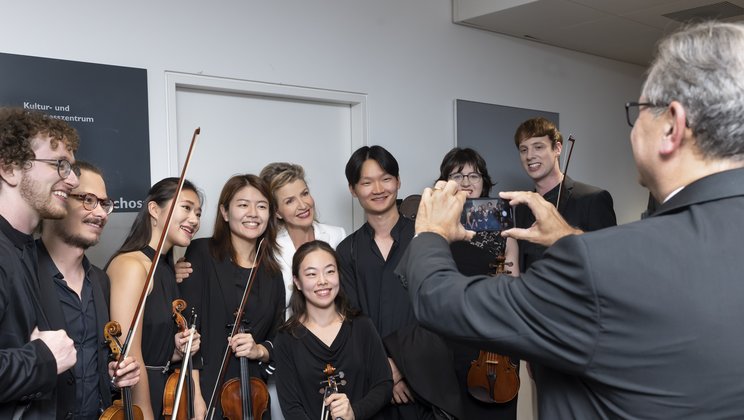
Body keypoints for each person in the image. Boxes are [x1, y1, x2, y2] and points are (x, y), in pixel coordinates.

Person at [399, 21, 744, 418]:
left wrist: (429, 233)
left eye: (639, 111)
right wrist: (570, 238)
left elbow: (442, 302)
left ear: (672, 126)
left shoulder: (599, 262)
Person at [337, 145, 462, 419]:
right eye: (366, 182)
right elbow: (352, 319)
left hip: (427, 379)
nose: (378, 189)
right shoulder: (347, 251)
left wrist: (403, 367)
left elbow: (440, 309)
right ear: (353, 189)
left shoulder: (427, 239)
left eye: (386, 179)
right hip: (371, 383)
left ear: (398, 181)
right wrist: (386, 371)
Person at [38, 161, 140, 419]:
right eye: (87, 199)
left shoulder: (101, 281)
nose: (101, 213)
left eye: (104, 204)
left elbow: (95, 368)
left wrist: (114, 380)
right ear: (59, 197)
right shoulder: (21, 271)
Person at [178, 174, 285, 419]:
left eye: (261, 206)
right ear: (225, 212)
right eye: (243, 204)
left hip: (253, 396)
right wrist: (195, 397)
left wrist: (260, 350)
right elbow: (187, 330)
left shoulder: (272, 273)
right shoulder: (201, 253)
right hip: (206, 388)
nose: (253, 213)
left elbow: (280, 337)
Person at [0, 108, 80, 418]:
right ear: (9, 168)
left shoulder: (26, 250)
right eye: (59, 165)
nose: (72, 180)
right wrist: (44, 358)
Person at [107, 177, 206, 419]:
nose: (194, 220)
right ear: (154, 209)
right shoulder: (132, 265)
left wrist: (178, 349)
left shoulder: (164, 269)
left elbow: (154, 347)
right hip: (142, 398)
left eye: (198, 213)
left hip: (166, 395)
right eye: (186, 208)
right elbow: (130, 354)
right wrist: (144, 413)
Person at [435, 147, 520, 419]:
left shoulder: (505, 227)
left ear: (484, 181)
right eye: (457, 175)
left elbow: (513, 285)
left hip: (492, 340)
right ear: (445, 181)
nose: (467, 182)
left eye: (474, 175)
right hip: (450, 336)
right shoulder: (436, 226)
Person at [274, 240, 392, 420]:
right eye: (311, 274)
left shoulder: (362, 326)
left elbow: (383, 384)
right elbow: (291, 407)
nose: (323, 281)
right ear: (297, 282)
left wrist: (355, 412)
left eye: (330, 271)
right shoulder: (286, 338)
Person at [512, 116, 616, 272]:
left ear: (558, 149)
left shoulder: (593, 199)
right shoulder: (521, 207)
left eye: (538, 147)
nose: (529, 156)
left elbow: (608, 259)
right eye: (523, 149)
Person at [260, 162, 346, 308]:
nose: (303, 205)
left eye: (305, 193)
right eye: (289, 201)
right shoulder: (269, 249)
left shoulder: (337, 236)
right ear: (277, 212)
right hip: (288, 328)